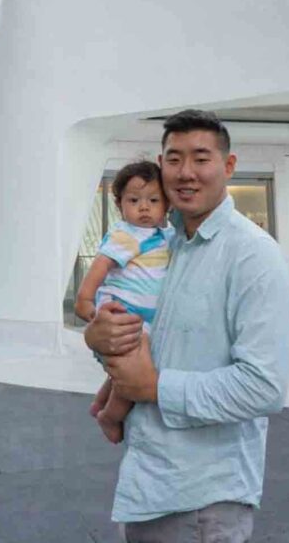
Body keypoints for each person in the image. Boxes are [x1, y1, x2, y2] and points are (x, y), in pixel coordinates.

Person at [84, 110, 289, 543]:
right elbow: (144, 335)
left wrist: (155, 387)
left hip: (202, 503)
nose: (186, 173)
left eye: (201, 158)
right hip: (148, 481)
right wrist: (97, 338)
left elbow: (264, 387)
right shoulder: (165, 244)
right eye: (174, 159)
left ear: (228, 166)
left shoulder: (253, 255)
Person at [75, 160, 172, 443]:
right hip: (125, 315)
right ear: (120, 205)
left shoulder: (163, 236)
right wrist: (84, 299)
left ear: (167, 205)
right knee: (133, 377)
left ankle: (99, 404)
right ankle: (110, 417)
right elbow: (100, 266)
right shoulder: (126, 235)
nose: (144, 207)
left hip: (143, 320)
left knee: (123, 372)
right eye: (134, 200)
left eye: (153, 200)